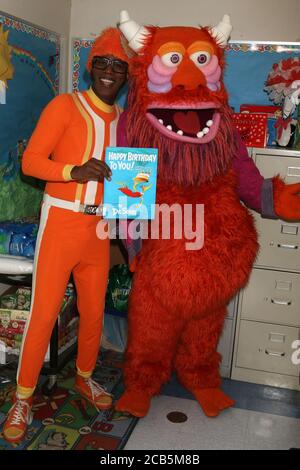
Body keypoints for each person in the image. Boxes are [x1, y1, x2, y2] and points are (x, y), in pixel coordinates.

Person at [3, 27, 129, 443]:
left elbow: (132, 181)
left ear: (126, 74)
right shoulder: (65, 105)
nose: (110, 71)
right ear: (89, 67)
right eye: (103, 63)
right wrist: (72, 171)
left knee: (93, 313)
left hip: (100, 228)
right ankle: (22, 397)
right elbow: (31, 161)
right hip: (61, 224)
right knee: (44, 314)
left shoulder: (125, 124)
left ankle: (85, 377)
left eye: (119, 66)